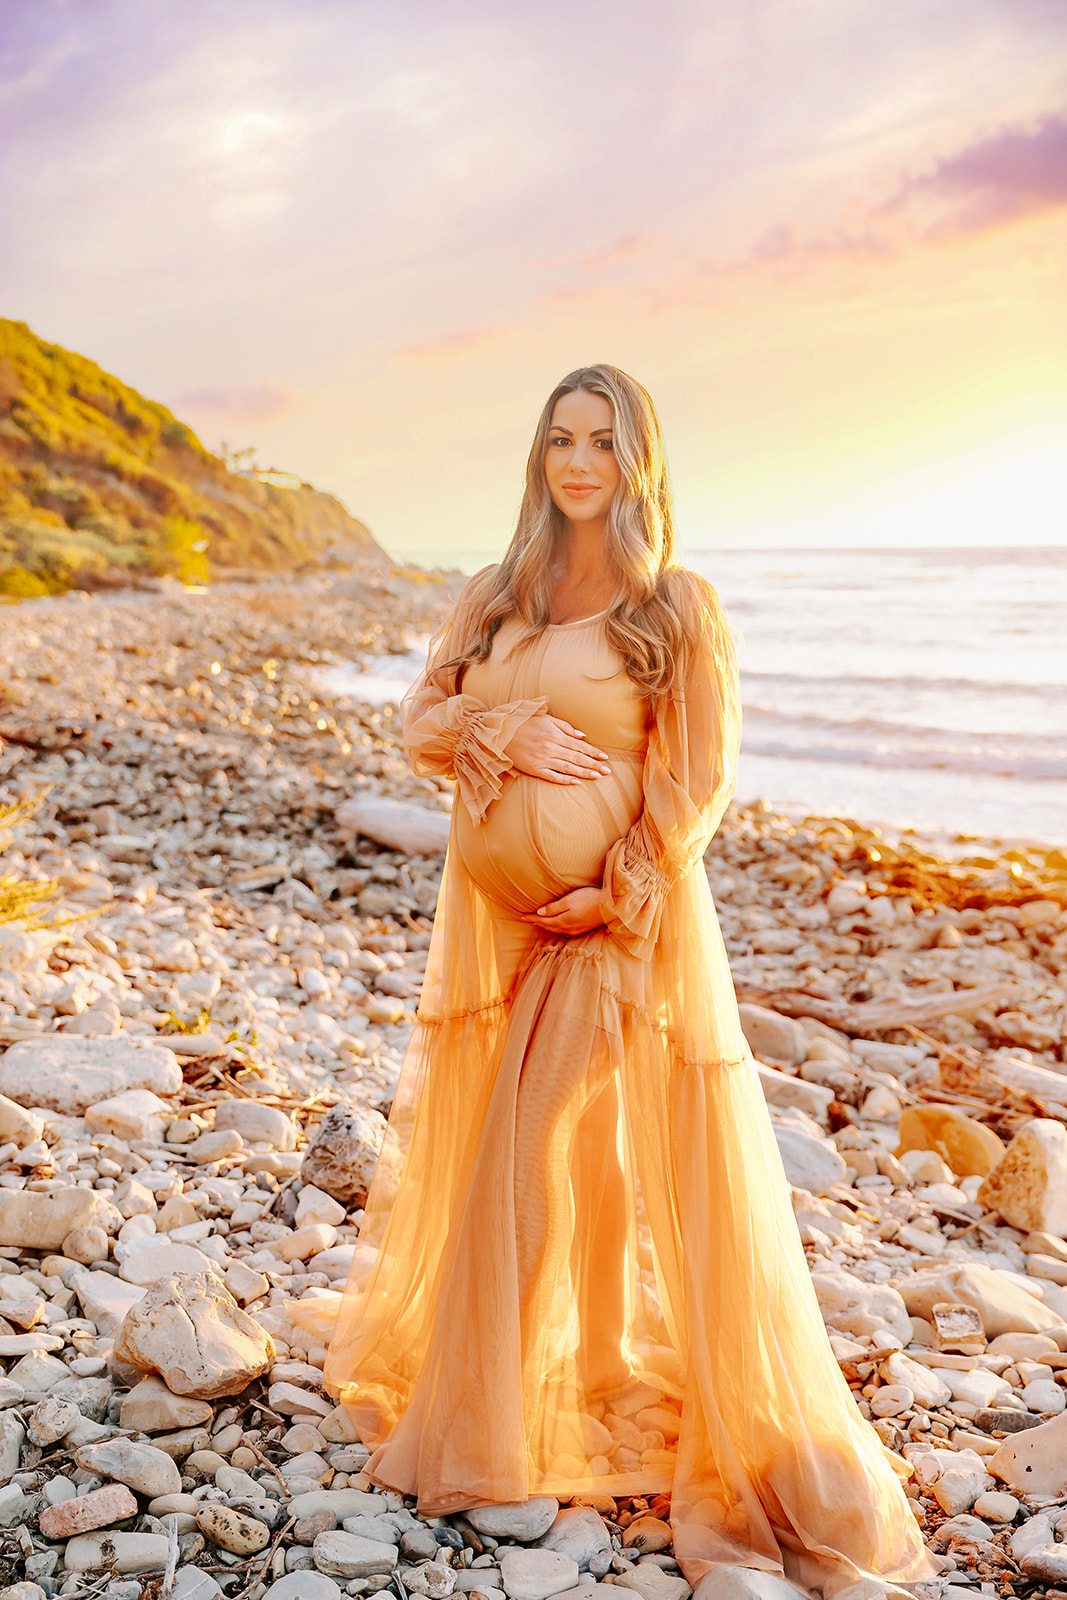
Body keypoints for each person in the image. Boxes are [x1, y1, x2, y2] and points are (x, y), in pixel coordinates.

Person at [293, 366, 935, 1598]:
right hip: (509, 920)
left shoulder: (673, 606)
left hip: (611, 925)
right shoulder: (499, 592)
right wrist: (504, 732)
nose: (576, 461)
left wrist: (620, 886)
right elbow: (420, 714)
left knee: (525, 1143)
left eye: (601, 440)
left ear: (638, 458)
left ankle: (489, 1424)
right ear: (538, 455)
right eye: (559, 439)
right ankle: (561, 1370)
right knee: (558, 1147)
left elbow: (694, 780)